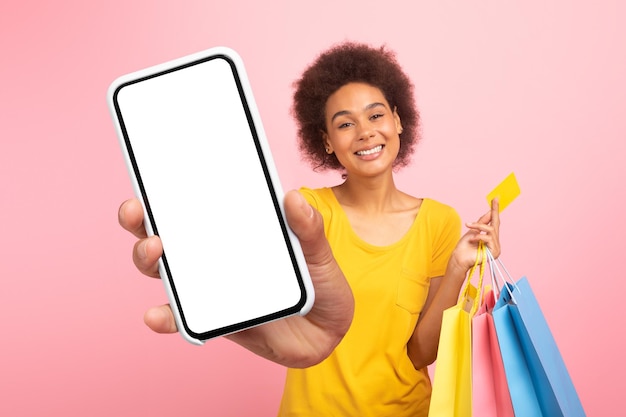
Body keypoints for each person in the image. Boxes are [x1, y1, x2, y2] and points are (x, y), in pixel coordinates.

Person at [118, 42, 501, 416]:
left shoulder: (439, 221)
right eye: (345, 124)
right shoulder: (307, 211)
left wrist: (457, 268)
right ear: (327, 142)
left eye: (376, 115)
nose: (365, 132)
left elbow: (420, 353)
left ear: (398, 121)